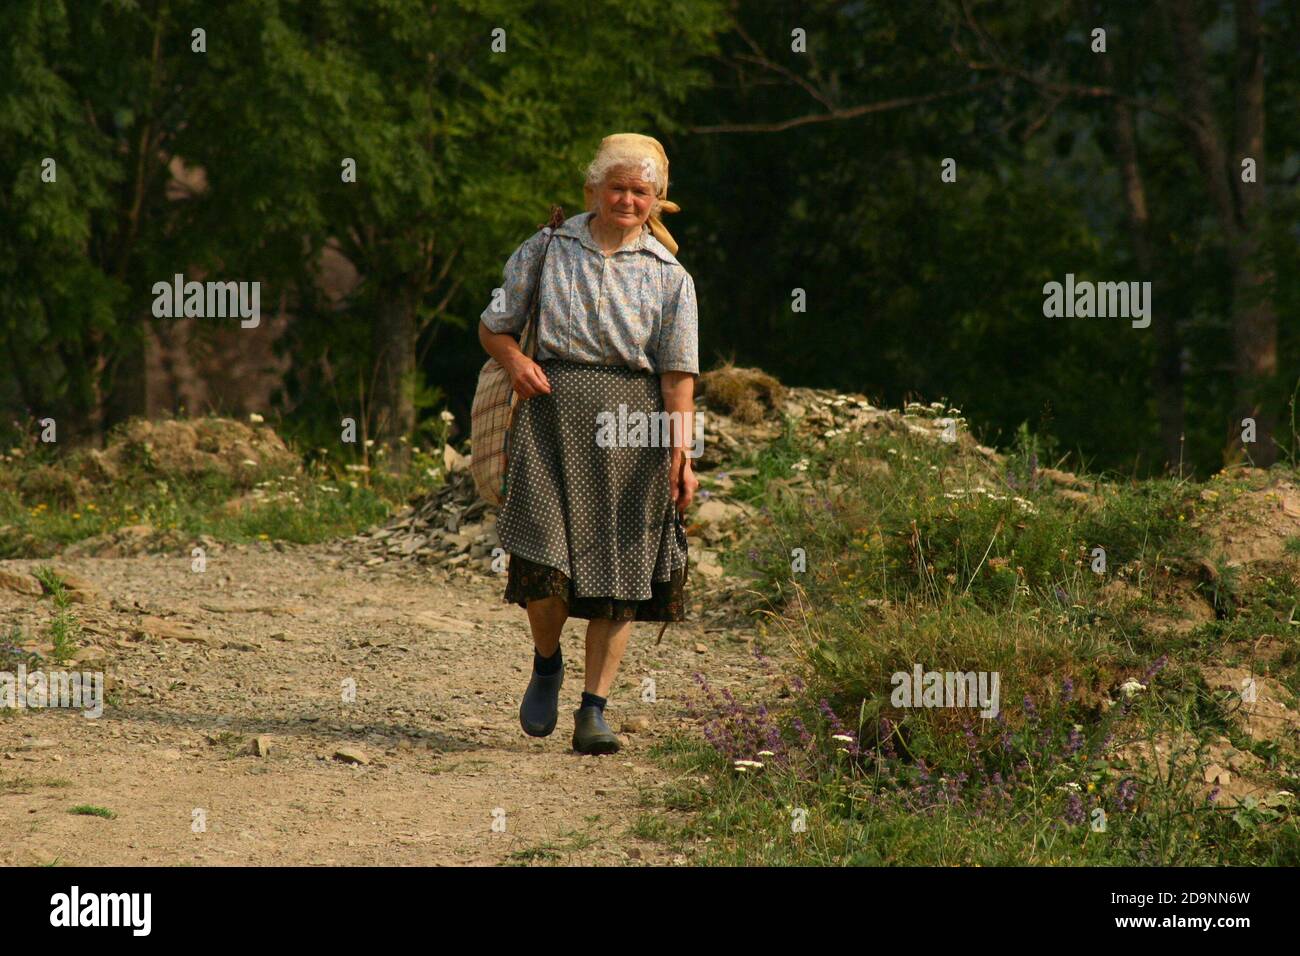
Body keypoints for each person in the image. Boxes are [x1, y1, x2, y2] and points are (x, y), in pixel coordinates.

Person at [477, 133, 700, 755]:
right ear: (592, 191)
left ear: (656, 200)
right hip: (552, 415)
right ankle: (547, 662)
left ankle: (594, 710)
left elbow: (678, 378)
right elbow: (493, 326)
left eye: (640, 191)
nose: (627, 199)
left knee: (622, 575)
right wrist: (517, 360)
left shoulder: (672, 277)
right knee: (544, 563)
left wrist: (683, 456)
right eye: (617, 187)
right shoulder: (546, 249)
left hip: (637, 430)